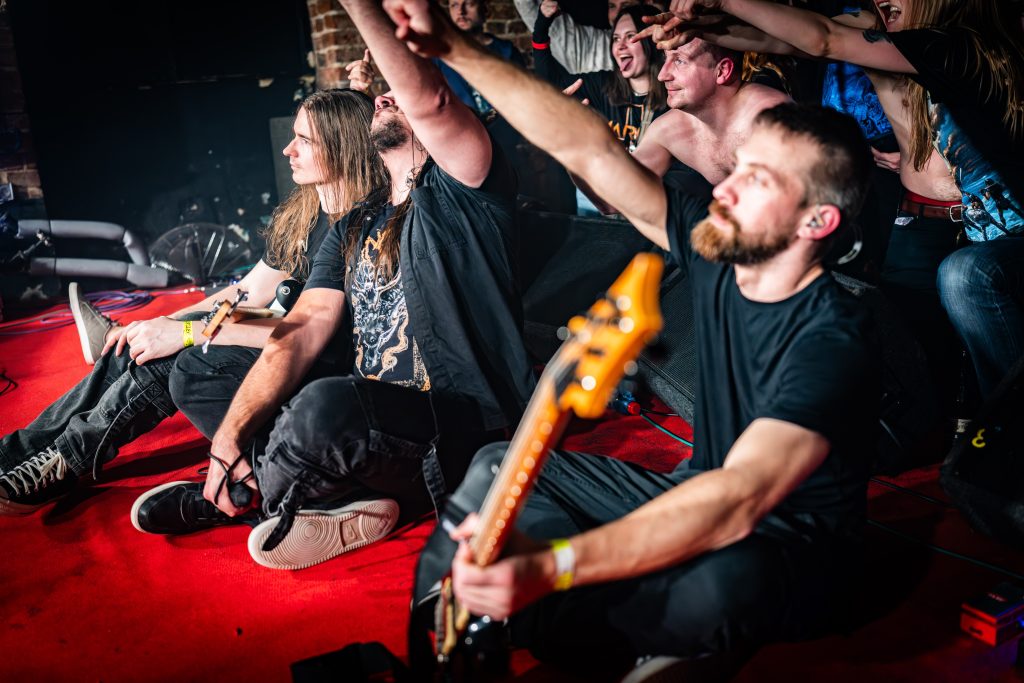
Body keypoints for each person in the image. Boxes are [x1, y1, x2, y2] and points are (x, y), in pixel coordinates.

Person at [382, 0, 877, 675]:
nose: (726, 190)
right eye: (738, 167)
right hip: (695, 492)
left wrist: (555, 565)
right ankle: (450, 647)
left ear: (816, 221)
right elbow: (586, 147)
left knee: (719, 585)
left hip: (783, 549)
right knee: (498, 466)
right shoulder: (716, 247)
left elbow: (737, 500)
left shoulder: (835, 338)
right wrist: (454, 49)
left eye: (757, 180)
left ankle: (566, 614)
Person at [130, 0, 534, 572]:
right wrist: (227, 436)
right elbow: (302, 325)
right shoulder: (354, 222)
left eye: (398, 92)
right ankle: (313, 492)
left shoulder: (468, 190)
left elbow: (431, 100)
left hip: (453, 429)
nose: (386, 97)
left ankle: (250, 499)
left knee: (325, 405)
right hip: (370, 417)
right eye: (383, 93)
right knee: (200, 371)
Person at [0, 89, 385, 516]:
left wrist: (185, 332)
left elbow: (309, 337)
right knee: (140, 345)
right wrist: (162, 323)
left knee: (171, 355)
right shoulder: (308, 213)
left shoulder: (365, 229)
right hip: (276, 335)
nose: (287, 149)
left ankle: (67, 461)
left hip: (315, 365)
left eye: (304, 140)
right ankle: (17, 452)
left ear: (342, 146)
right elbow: (247, 291)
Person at [661, 0, 1024, 399]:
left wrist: (722, 3)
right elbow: (783, 40)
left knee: (966, 281)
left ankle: (1003, 422)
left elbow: (824, 39)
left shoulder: (960, 44)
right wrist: (701, 29)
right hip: (926, 214)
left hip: (997, 225)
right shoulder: (877, 28)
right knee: (912, 341)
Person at [533, 3, 668, 214]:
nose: (620, 46)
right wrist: (541, 27)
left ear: (652, 40)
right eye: (616, 38)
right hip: (600, 202)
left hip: (651, 208)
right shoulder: (603, 86)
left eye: (630, 36)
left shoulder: (674, 98)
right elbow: (550, 80)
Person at [435, 0, 526, 117]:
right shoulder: (439, 56)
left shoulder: (507, 51)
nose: (461, 11)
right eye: (454, 5)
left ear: (485, 10)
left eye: (469, 4)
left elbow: (522, 101)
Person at [514, 0, 646, 75]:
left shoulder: (658, 43)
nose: (618, 14)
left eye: (626, 6)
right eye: (612, 6)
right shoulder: (592, 45)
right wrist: (543, 21)